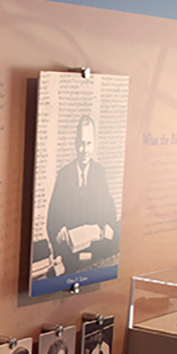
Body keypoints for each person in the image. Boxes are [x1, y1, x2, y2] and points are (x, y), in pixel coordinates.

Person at [46, 116, 118, 274]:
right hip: (71, 260)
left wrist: (108, 225)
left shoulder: (100, 172)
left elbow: (109, 210)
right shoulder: (64, 175)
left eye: (89, 143)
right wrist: (59, 230)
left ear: (94, 142)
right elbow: (52, 220)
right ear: (75, 143)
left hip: (95, 256)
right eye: (82, 144)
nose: (86, 150)